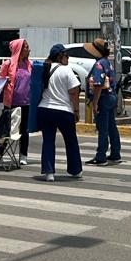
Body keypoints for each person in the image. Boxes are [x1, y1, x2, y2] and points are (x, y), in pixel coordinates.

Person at [37, 44, 83, 182]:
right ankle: (75, 170)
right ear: (60, 56)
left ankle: (48, 172)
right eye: (66, 55)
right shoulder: (66, 70)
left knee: (48, 141)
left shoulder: (45, 69)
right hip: (63, 111)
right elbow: (74, 92)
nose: (68, 58)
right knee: (71, 141)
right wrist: (76, 110)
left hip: (44, 109)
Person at [86, 37, 122, 167]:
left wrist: (95, 103)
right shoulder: (107, 62)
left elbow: (98, 84)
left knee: (103, 128)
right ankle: (115, 153)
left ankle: (101, 156)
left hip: (103, 98)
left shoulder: (99, 64)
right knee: (112, 126)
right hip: (111, 97)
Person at [0, 38, 32, 165]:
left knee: (24, 130)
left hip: (27, 102)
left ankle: (23, 155)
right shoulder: (8, 64)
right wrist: (5, 82)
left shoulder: (30, 64)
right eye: (26, 47)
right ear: (19, 49)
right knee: (7, 130)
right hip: (11, 102)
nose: (29, 49)